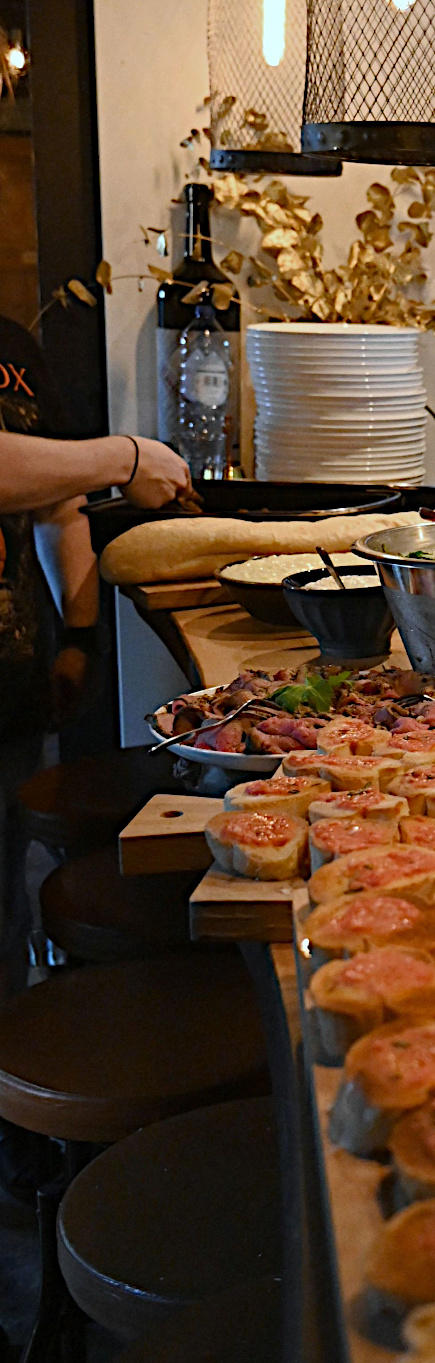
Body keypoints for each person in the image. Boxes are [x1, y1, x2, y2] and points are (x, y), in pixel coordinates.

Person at [0, 309, 190, 992]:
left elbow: (55, 500)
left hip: (11, 682)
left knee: (4, 904)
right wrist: (128, 456)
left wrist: (78, 637)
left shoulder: (12, 343)